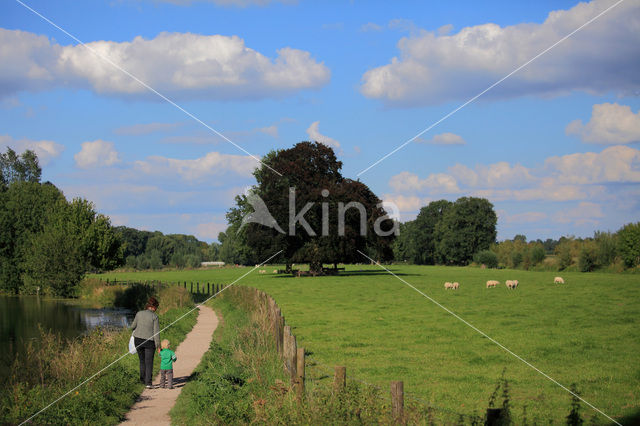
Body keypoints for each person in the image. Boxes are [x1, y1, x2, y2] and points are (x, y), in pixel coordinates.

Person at [130, 296, 160, 388]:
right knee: (149, 362)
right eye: (156, 308)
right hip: (149, 342)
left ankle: (142, 380)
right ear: (154, 307)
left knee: (142, 361)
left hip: (138, 340)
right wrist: (158, 346)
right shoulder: (154, 316)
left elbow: (132, 326)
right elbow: (156, 333)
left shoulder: (139, 313)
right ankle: (148, 383)